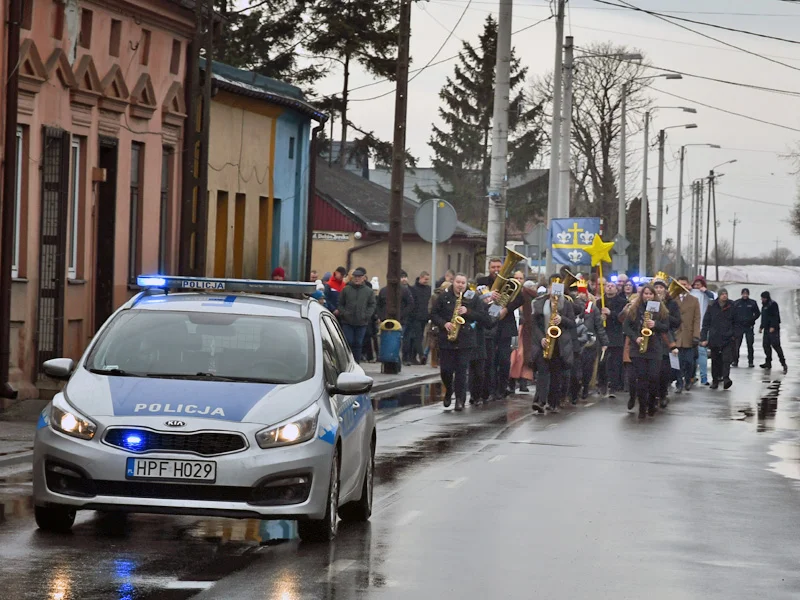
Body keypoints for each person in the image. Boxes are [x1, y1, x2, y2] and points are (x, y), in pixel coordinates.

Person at [430, 273, 485, 411]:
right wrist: (444, 324)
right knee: (446, 370)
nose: (460, 285)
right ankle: (449, 389)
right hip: (447, 339)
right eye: (458, 282)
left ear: (466, 285)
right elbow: (434, 314)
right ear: (453, 282)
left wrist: (468, 311)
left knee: (461, 370)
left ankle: (460, 399)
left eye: (463, 283)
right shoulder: (444, 297)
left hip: (466, 339)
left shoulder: (473, 298)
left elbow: (482, 316)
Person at [478, 259, 525, 401]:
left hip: (505, 324)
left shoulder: (510, 282)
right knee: (489, 360)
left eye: (499, 266)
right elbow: (474, 297)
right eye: (493, 267)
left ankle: (502, 388)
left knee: (504, 360)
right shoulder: (482, 281)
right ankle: (488, 389)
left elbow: (520, 299)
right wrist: (488, 296)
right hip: (488, 324)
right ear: (489, 268)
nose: (496, 269)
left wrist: (506, 308)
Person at [529, 275, 576, 413]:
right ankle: (540, 401)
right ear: (548, 288)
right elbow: (534, 325)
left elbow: (572, 323)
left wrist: (562, 319)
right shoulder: (538, 302)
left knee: (556, 374)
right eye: (552, 287)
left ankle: (553, 402)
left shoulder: (566, 304)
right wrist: (541, 339)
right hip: (543, 342)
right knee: (543, 372)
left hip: (559, 344)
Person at [623, 284, 670, 418]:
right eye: (645, 293)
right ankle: (642, 407)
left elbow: (666, 327)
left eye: (650, 294)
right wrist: (635, 337)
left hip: (655, 348)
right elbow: (626, 326)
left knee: (654, 378)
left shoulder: (661, 310)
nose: (648, 296)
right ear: (641, 295)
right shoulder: (635, 309)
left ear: (654, 295)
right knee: (642, 379)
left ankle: (651, 404)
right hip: (638, 349)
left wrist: (655, 325)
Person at [572, 282, 609, 402]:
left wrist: (604, 342)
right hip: (575, 341)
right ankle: (574, 389)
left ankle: (586, 387)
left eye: (583, 292)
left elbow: (598, 326)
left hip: (590, 342)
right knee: (576, 369)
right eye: (579, 292)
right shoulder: (571, 305)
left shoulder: (592, 307)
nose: (581, 294)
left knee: (587, 368)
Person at [652, 274, 681, 407]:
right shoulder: (650, 303)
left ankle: (663, 394)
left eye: (661, 287)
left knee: (665, 371)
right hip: (652, 340)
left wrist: (665, 316)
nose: (658, 290)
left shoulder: (672, 304)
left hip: (666, 341)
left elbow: (677, 322)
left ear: (665, 290)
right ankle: (655, 395)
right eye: (656, 287)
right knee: (653, 372)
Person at [337, 268, 376, 362]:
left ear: (363, 278)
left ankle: (356, 363)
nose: (357, 279)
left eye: (359, 277)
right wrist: (344, 313)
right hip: (347, 321)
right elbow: (340, 303)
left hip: (362, 322)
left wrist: (366, 315)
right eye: (355, 277)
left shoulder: (368, 291)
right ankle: (347, 361)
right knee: (348, 342)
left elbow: (372, 304)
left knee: (358, 343)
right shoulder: (346, 289)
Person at [701, 288, 735, 389]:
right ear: (719, 295)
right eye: (722, 294)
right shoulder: (712, 306)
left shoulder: (732, 305)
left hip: (728, 338)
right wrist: (703, 337)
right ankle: (715, 380)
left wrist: (734, 334)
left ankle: (726, 379)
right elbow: (706, 323)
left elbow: (736, 321)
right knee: (715, 360)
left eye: (726, 294)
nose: (724, 295)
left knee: (726, 359)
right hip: (714, 337)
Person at [469, 286, 497, 405]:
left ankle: (485, 393)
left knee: (487, 367)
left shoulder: (494, 306)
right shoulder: (476, 305)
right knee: (474, 368)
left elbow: (492, 320)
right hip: (477, 338)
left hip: (489, 338)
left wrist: (495, 305)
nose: (487, 299)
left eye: (488, 297)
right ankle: (474, 394)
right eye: (485, 298)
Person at [673, 276, 701, 393]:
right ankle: (679, 383)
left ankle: (688, 380)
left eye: (685, 284)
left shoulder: (694, 300)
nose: (683, 287)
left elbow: (696, 319)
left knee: (689, 362)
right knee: (677, 362)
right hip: (676, 335)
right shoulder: (673, 300)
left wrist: (696, 335)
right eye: (680, 284)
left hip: (689, 336)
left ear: (688, 285)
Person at [601, 281, 628, 397]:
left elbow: (623, 318)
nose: (610, 287)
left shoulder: (622, 302)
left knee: (615, 363)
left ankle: (613, 386)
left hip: (616, 335)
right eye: (608, 286)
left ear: (617, 289)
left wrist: (610, 313)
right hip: (603, 335)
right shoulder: (599, 302)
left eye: (612, 286)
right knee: (602, 362)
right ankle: (602, 384)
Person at [691, 275, 715, 386]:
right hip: (689, 329)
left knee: (702, 353)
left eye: (699, 285)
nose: (696, 287)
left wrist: (705, 291)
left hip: (702, 329)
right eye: (695, 285)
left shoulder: (706, 295)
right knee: (691, 354)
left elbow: (715, 297)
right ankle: (692, 376)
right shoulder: (689, 293)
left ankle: (704, 377)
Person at [408, 271, 432, 365]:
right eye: (425, 279)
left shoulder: (428, 289)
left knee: (420, 336)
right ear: (421, 278)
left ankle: (414, 357)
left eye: (428, 279)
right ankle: (421, 355)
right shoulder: (413, 289)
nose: (426, 281)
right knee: (417, 336)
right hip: (415, 316)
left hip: (424, 317)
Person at [760, 291, 787, 373]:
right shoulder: (764, 306)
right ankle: (768, 362)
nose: (762, 299)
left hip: (773, 329)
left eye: (764, 298)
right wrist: (761, 327)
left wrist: (773, 326)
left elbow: (775, 316)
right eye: (762, 298)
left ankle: (783, 363)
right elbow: (763, 317)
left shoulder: (773, 304)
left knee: (776, 346)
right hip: (766, 329)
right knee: (766, 345)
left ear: (767, 298)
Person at [732, 288, 761, 368]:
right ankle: (735, 361)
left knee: (750, 345)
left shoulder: (752, 303)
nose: (745, 295)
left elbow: (758, 313)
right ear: (741, 294)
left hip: (749, 327)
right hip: (739, 327)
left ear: (748, 294)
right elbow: (732, 314)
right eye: (744, 294)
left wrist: (752, 319)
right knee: (736, 345)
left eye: (746, 294)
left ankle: (750, 361)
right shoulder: (737, 303)